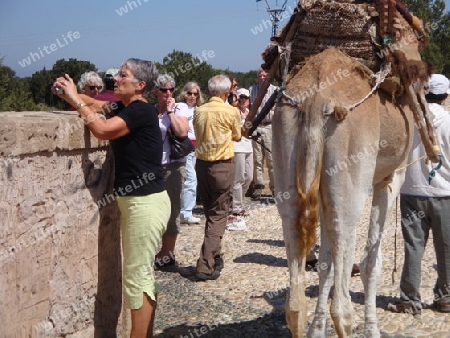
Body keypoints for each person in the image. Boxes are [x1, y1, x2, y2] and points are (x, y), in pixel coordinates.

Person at [52, 58, 171, 338]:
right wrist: (68, 92)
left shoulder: (140, 111)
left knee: (137, 279)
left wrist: (74, 100)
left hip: (145, 203)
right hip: (140, 202)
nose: (115, 79)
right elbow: (94, 106)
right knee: (141, 276)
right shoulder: (124, 106)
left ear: (140, 85)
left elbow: (102, 130)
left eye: (122, 75)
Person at [391, 73, 450, 315]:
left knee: (413, 247)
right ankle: (445, 297)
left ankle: (409, 299)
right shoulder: (448, 120)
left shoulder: (408, 119)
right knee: (446, 249)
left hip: (411, 191)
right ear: (446, 95)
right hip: (445, 193)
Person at [193, 74, 241, 281]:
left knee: (210, 211)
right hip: (222, 165)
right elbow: (237, 135)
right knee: (219, 214)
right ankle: (205, 264)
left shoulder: (199, 111)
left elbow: (197, 132)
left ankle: (215, 254)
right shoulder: (231, 111)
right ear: (226, 91)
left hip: (202, 165)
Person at [153, 74, 189, 269]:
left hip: (173, 166)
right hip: (152, 166)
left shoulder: (179, 108)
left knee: (172, 208)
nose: (168, 93)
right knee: (153, 210)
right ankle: (155, 249)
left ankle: (168, 253)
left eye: (171, 89)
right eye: (164, 90)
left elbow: (182, 132)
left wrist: (169, 113)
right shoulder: (150, 111)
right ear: (155, 92)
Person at [177, 82, 204, 225]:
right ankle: (186, 212)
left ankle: (184, 210)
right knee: (190, 180)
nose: (192, 96)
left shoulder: (200, 110)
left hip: (198, 147)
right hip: (185, 147)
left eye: (195, 93)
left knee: (190, 179)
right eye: (189, 93)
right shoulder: (180, 108)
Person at [226, 88, 253, 231]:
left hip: (248, 146)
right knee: (239, 177)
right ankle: (236, 207)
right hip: (237, 147)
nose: (244, 100)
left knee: (249, 177)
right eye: (241, 97)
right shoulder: (233, 111)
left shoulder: (250, 112)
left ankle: (239, 202)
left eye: (246, 97)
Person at [249, 68, 277, 199]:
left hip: (270, 126)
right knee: (257, 159)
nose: (262, 77)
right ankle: (258, 187)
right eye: (259, 75)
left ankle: (275, 188)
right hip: (256, 126)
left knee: (271, 160)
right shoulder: (251, 90)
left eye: (264, 75)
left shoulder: (275, 90)